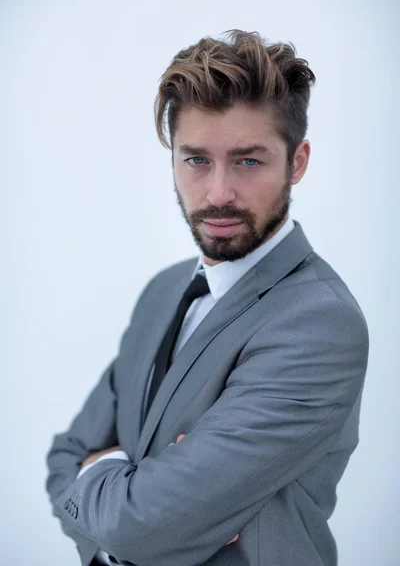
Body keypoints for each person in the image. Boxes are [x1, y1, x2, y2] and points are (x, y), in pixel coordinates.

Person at [45, 29, 369, 566]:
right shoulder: (163, 291)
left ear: (298, 161)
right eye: (196, 160)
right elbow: (66, 454)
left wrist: (110, 481)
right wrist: (129, 495)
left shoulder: (319, 323)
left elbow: (135, 528)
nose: (218, 193)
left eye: (248, 161)